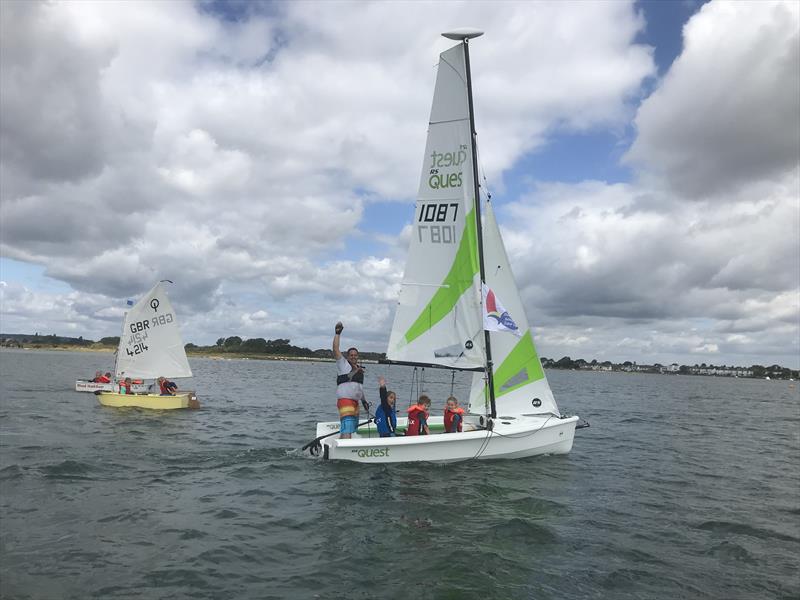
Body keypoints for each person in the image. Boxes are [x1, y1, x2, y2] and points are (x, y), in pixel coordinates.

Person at [333, 321, 367, 439]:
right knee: (347, 427)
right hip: (345, 401)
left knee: (352, 428)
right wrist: (337, 334)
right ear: (348, 357)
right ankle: (343, 449)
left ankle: (345, 444)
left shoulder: (360, 370)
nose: (353, 356)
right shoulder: (343, 365)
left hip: (356, 403)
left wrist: (364, 402)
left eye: (355, 355)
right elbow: (336, 349)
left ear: (358, 356)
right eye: (351, 355)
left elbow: (359, 389)